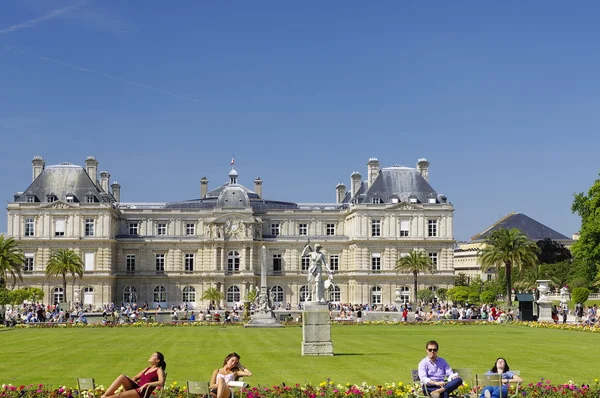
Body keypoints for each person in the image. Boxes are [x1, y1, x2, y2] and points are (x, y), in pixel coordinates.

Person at [101, 352, 166, 397]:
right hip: (137, 387)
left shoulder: (158, 370)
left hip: (142, 392)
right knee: (122, 376)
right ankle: (105, 395)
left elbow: (161, 382)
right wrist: (133, 380)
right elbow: (135, 377)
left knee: (119, 395)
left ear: (157, 360)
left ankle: (104, 397)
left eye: (153, 356)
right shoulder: (147, 368)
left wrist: (147, 384)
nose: (150, 356)